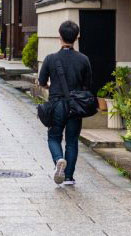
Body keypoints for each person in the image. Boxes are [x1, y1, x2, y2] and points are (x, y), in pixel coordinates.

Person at [38, 20, 92, 185]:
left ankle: (58, 160)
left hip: (56, 105)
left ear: (59, 36)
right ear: (77, 37)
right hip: (75, 106)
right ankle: (68, 177)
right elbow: (87, 85)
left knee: (54, 137)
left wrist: (50, 86)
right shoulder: (83, 59)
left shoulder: (50, 59)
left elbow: (41, 81)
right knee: (72, 140)